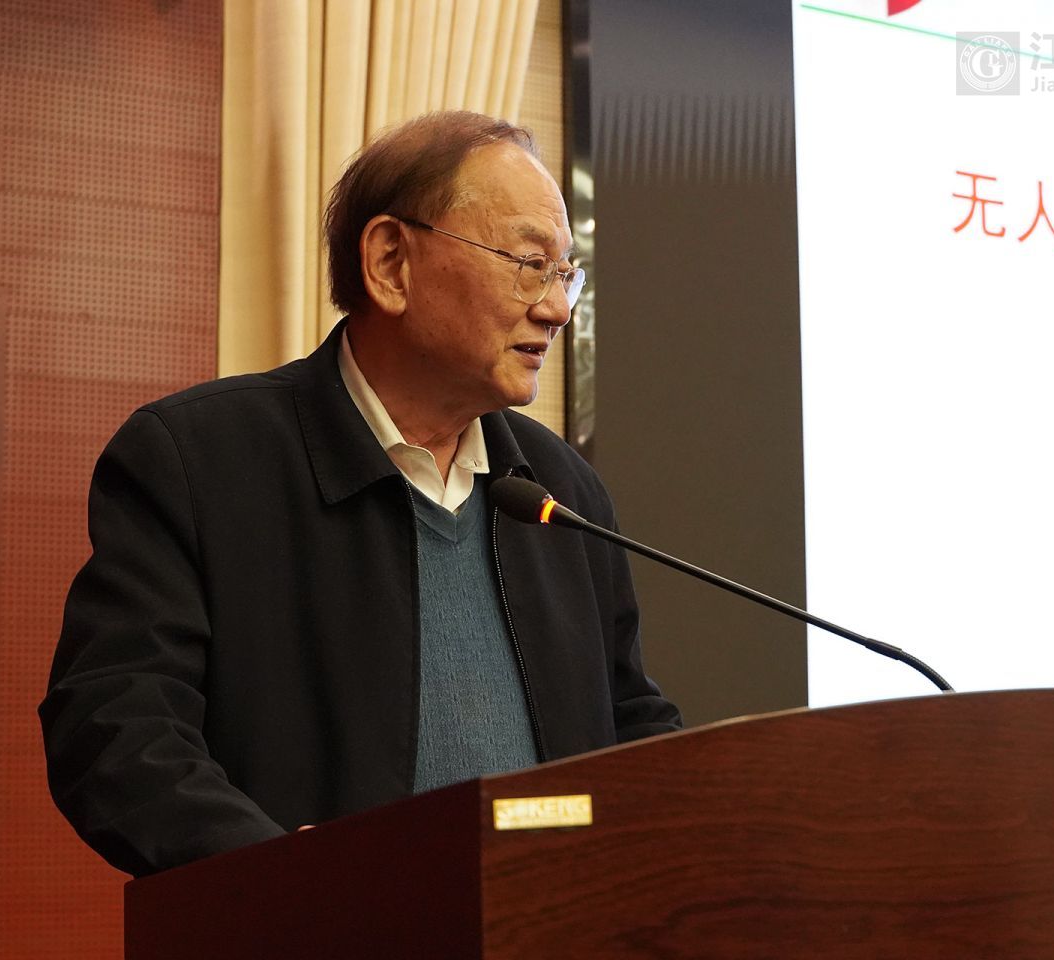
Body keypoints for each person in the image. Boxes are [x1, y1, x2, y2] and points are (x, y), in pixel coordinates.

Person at [39, 111, 681, 878]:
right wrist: (287, 875)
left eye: (566, 273)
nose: (556, 308)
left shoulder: (559, 490)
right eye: (529, 263)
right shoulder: (200, 460)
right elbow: (115, 727)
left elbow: (628, 718)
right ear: (389, 263)